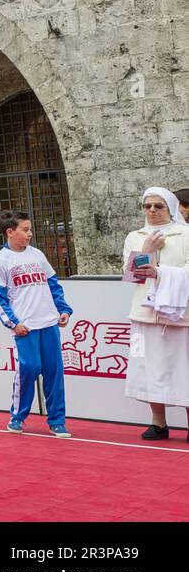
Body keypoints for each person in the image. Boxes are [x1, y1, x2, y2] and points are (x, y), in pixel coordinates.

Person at [0, 210, 73, 437]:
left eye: (29, 229)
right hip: (25, 327)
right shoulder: (1, 261)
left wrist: (63, 309)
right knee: (28, 368)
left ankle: (57, 421)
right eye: (25, 230)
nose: (30, 234)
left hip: (49, 324)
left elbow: (53, 284)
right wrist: (13, 323)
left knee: (54, 372)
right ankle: (18, 416)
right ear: (10, 232)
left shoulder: (37, 255)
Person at [121, 187, 189, 441]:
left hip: (179, 316)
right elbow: (131, 275)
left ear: (169, 208)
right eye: (147, 206)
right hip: (144, 314)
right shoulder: (135, 236)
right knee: (148, 369)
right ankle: (158, 423)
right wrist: (147, 247)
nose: (151, 211)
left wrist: (161, 272)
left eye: (158, 206)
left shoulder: (185, 234)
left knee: (183, 369)